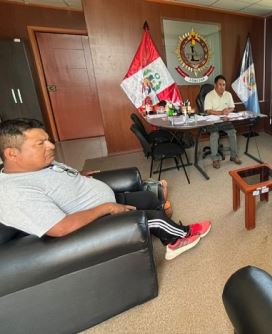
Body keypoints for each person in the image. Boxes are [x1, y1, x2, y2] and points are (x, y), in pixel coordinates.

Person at [0, 118, 211, 260]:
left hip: (102, 201)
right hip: (95, 218)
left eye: (48, 140)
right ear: (12, 154)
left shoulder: (36, 166)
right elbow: (60, 228)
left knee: (147, 198)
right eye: (41, 143)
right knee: (152, 216)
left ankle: (164, 221)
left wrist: (79, 177)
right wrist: (107, 208)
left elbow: (55, 180)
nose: (51, 146)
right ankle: (177, 238)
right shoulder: (15, 193)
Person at [203, 74, 242, 169]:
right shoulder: (209, 95)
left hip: (225, 120)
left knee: (232, 132)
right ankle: (215, 159)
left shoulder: (228, 94)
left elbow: (232, 107)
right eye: (220, 84)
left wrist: (227, 111)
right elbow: (208, 111)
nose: (222, 87)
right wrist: (221, 112)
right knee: (214, 134)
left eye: (224, 84)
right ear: (215, 85)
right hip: (213, 121)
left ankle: (233, 156)